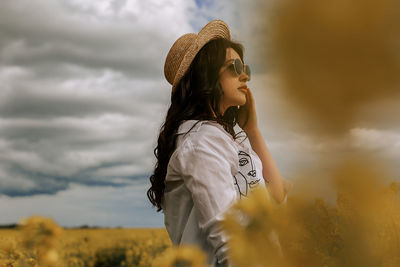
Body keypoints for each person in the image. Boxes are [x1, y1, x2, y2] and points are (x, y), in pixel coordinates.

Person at [147, 19, 291, 267]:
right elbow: (229, 243)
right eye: (234, 67)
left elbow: (275, 196)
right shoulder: (201, 142)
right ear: (206, 76)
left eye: (244, 66)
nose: (244, 74)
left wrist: (252, 130)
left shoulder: (223, 139)